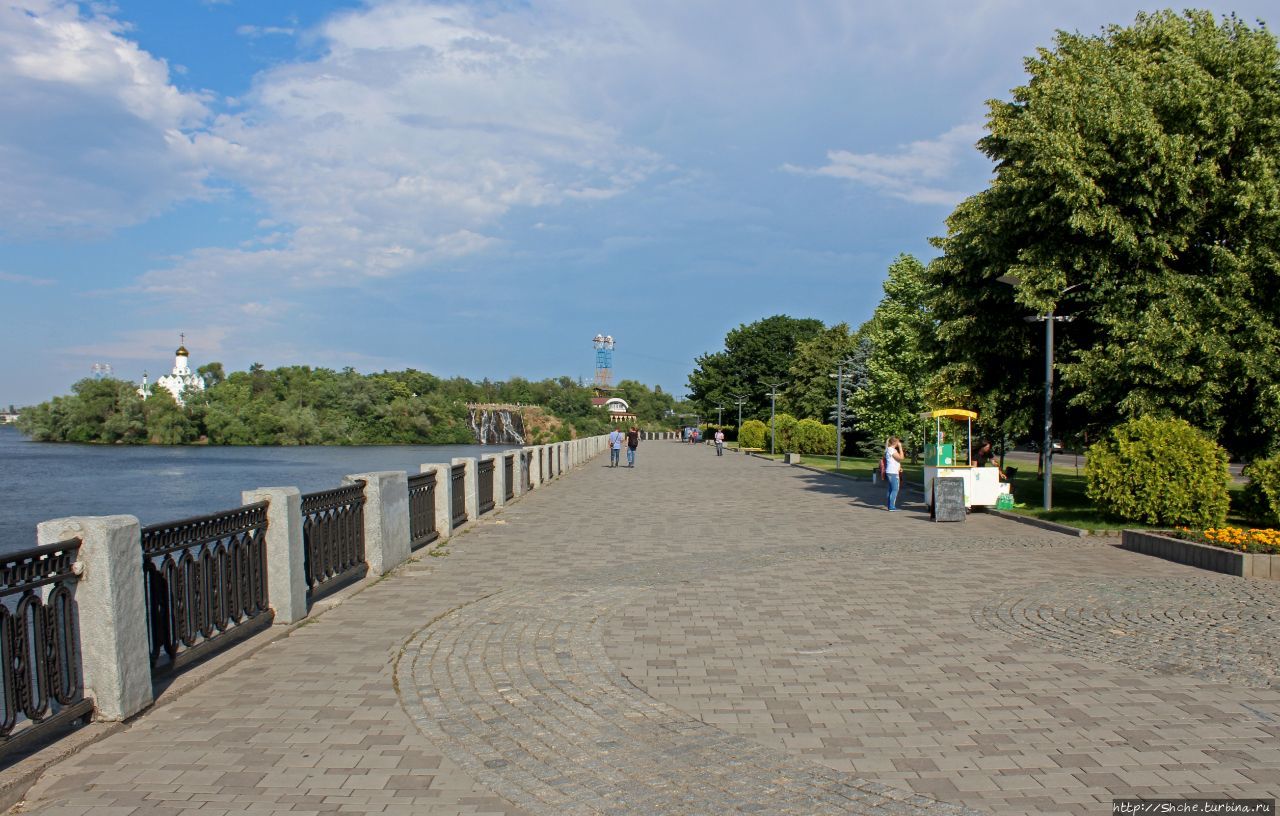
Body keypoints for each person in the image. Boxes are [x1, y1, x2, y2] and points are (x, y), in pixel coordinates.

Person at [884, 435, 905, 511]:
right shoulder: (891, 450)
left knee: (891, 489)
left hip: (891, 471)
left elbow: (896, 460)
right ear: (895, 442)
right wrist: (900, 447)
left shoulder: (890, 449)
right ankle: (892, 507)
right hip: (892, 472)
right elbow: (901, 458)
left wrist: (899, 467)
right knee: (895, 489)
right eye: (898, 441)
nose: (899, 443)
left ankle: (890, 506)